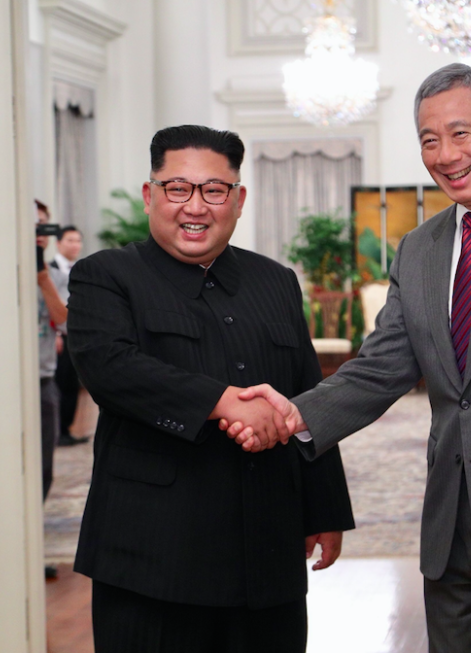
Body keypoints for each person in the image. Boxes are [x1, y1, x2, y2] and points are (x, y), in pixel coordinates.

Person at [227, 63, 471, 652]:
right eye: (429, 140)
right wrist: (292, 414)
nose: (445, 154)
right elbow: (380, 366)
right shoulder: (418, 248)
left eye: (461, 133)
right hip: (449, 533)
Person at [66, 125, 354, 653]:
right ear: (151, 195)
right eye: (177, 188)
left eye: (214, 190)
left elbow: (306, 393)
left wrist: (325, 510)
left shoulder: (276, 281)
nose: (194, 206)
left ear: (238, 200)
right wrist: (220, 400)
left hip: (266, 554)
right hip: (152, 556)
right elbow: (109, 367)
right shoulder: (105, 275)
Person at [35, 199, 68, 580]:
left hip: (43, 377)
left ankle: (34, 541)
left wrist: (42, 278)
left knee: (43, 468)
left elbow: (64, 321)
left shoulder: (55, 276)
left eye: (43, 228)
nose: (40, 235)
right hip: (5, 382)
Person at [49, 225, 88, 446]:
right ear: (59, 243)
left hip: (75, 333)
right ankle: (56, 431)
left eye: (78, 241)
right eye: (70, 240)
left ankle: (67, 430)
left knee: (72, 383)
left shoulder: (82, 268)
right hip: (57, 335)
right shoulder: (48, 269)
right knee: (59, 383)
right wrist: (54, 333)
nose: (75, 245)